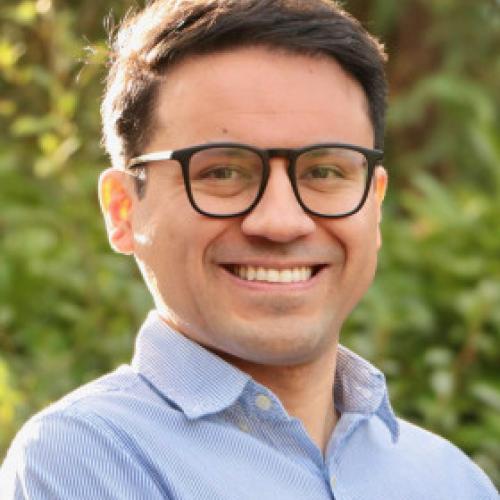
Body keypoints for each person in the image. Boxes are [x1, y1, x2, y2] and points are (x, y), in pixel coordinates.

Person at [1, 0, 498, 498]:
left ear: (375, 203)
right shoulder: (84, 459)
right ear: (123, 211)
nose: (281, 222)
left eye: (324, 172)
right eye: (222, 172)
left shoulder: (452, 479)